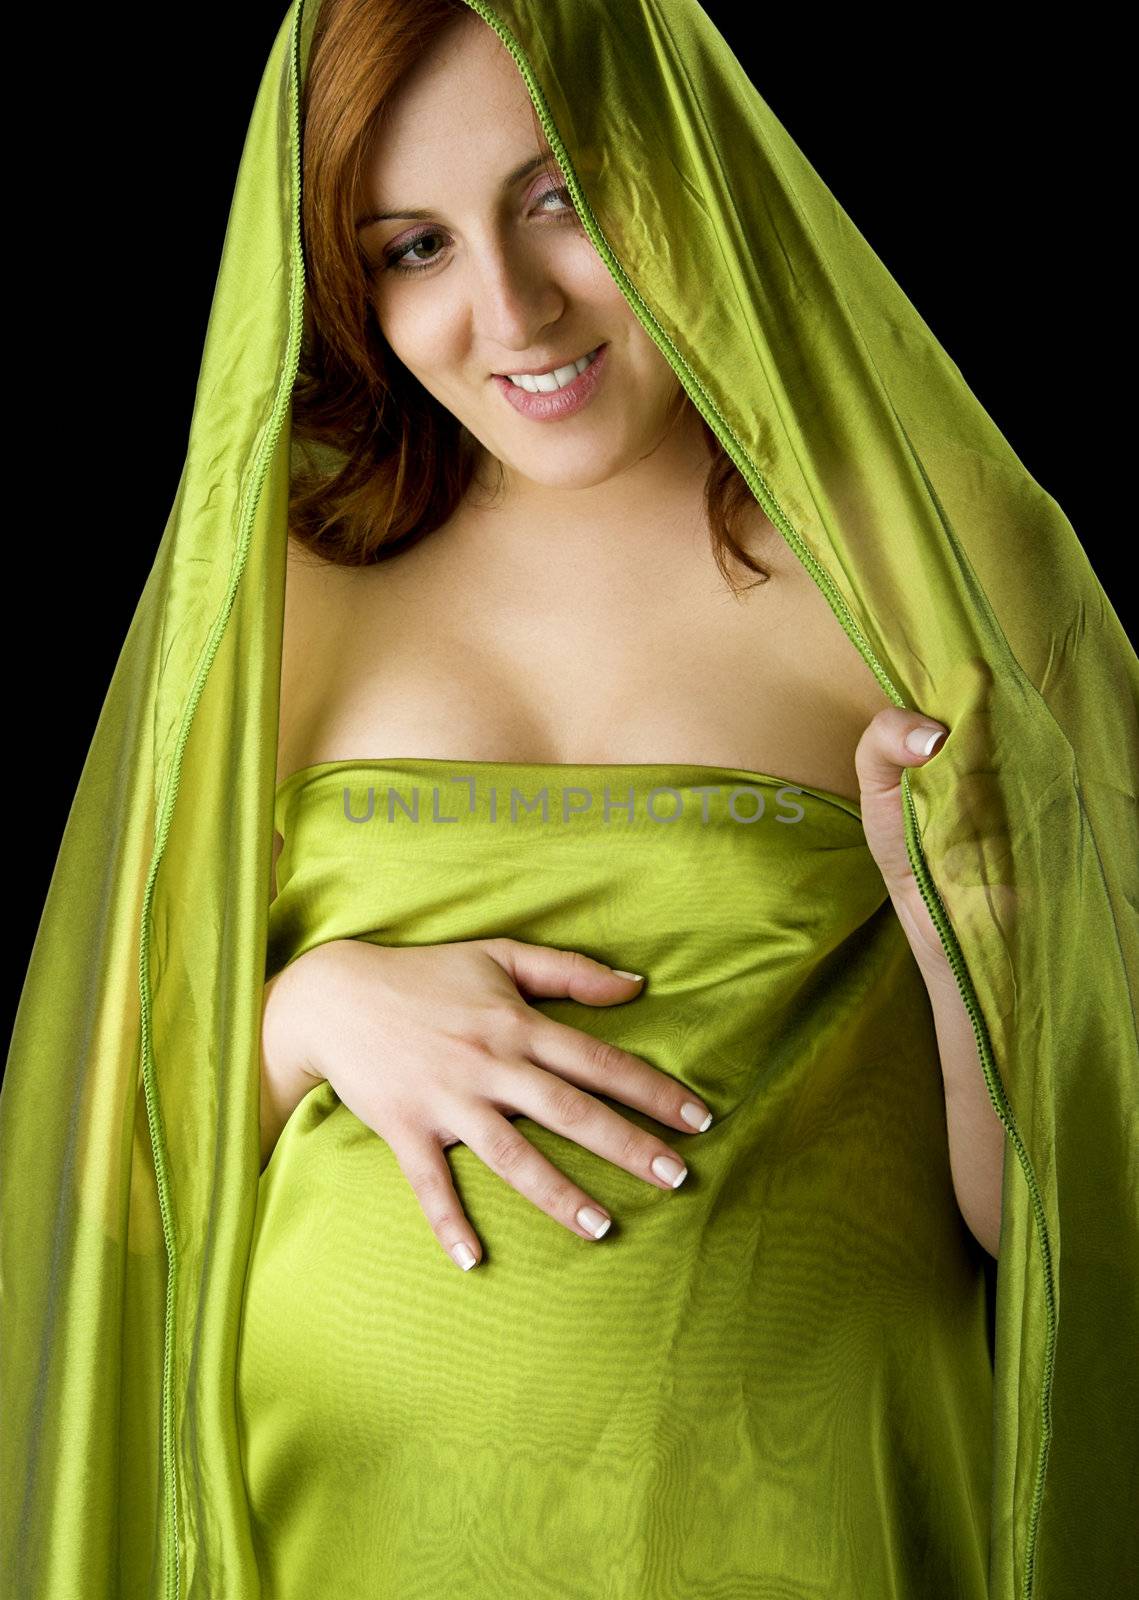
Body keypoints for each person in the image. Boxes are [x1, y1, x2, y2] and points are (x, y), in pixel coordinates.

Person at [3, 2, 1136, 1598]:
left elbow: (1080, 1230)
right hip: (328, 1534)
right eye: (412, 247)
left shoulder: (936, 574)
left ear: (688, 170)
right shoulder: (284, 580)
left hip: (802, 1536)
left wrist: (964, 942)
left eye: (565, 200)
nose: (513, 313)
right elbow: (99, 1207)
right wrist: (306, 1019)